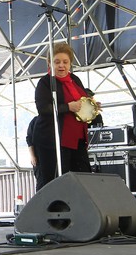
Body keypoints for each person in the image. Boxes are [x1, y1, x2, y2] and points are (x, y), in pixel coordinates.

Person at [34, 42, 99, 185]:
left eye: (65, 62)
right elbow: (43, 109)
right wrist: (68, 107)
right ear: (50, 63)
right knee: (57, 182)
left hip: (78, 140)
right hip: (54, 141)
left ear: (70, 63)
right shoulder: (45, 82)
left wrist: (92, 106)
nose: (61, 65)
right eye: (57, 62)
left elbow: (82, 101)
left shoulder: (75, 80)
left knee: (83, 181)